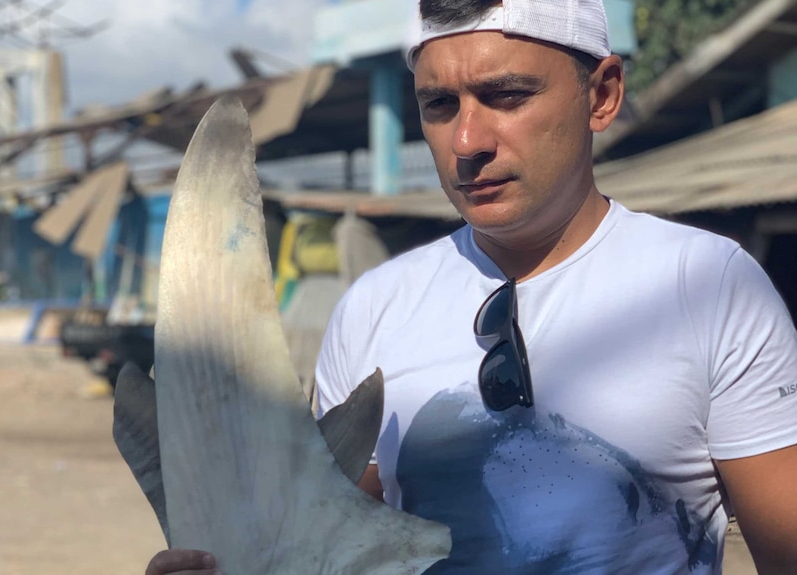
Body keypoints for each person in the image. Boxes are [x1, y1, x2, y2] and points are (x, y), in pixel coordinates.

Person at [147, 0, 797, 573]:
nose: (466, 141)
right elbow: (326, 551)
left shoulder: (709, 287)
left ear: (601, 93)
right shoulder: (376, 307)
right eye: (438, 105)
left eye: (507, 95)